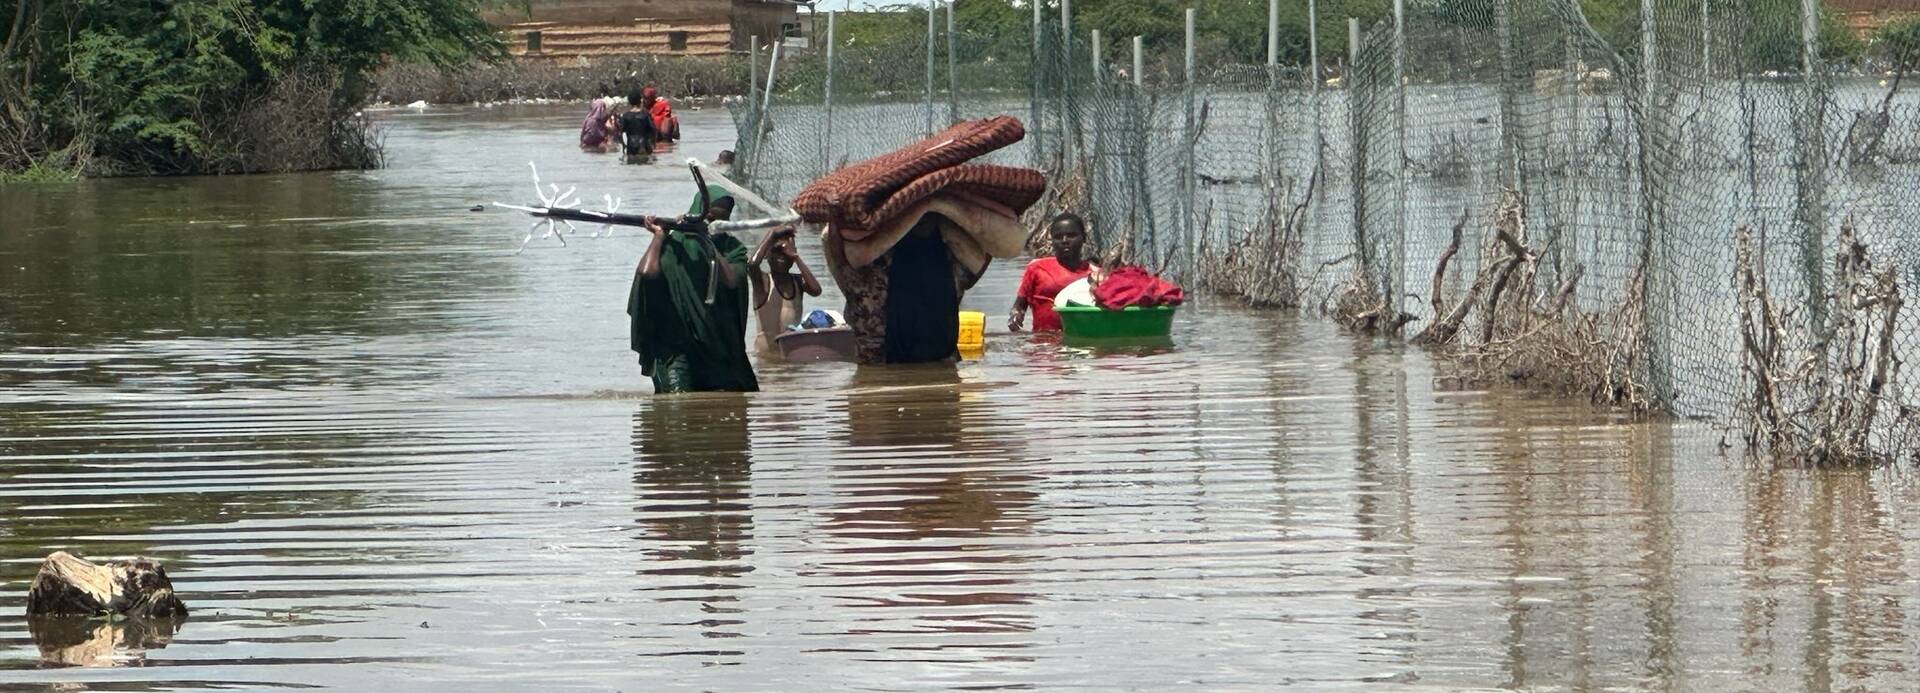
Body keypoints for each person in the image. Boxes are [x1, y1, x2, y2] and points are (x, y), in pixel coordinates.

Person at [627, 193, 757, 393]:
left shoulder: (732, 249)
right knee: (678, 403)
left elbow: (731, 280)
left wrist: (706, 240)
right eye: (710, 217)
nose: (714, 223)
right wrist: (659, 237)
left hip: (714, 343)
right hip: (673, 345)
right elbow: (646, 273)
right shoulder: (673, 244)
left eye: (722, 219)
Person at [1009, 213, 1098, 332]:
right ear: (1052, 240)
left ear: (1084, 238)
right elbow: (1019, 306)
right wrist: (1016, 316)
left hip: (1079, 341)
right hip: (1043, 343)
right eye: (1058, 237)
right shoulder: (1037, 268)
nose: (1065, 240)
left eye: (1071, 235)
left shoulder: (1096, 274)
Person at [748, 227, 824, 355]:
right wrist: (771, 234)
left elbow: (816, 291)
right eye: (777, 251)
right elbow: (752, 265)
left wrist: (796, 257)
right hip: (766, 362)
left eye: (786, 252)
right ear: (767, 254)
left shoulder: (798, 282)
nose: (782, 256)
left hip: (792, 358)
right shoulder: (763, 282)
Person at [618, 90, 657, 164]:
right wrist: (653, 143)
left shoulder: (625, 116)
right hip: (643, 145)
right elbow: (653, 129)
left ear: (629, 102)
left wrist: (623, 145)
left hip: (631, 145)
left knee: (631, 166)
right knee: (644, 167)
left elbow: (620, 133)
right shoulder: (645, 115)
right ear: (640, 101)